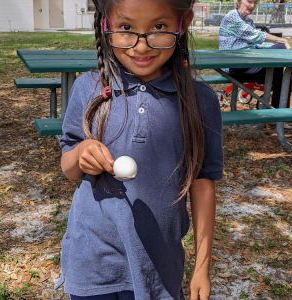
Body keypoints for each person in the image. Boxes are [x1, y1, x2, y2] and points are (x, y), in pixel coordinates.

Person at [56, 0, 223, 299]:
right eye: (126, 28)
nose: (141, 46)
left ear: (183, 23)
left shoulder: (201, 101)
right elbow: (68, 168)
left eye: (159, 28)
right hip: (92, 264)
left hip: (160, 268)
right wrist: (81, 153)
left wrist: (202, 267)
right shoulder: (87, 87)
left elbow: (203, 184)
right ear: (105, 24)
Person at [219, 0, 292, 108]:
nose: (252, 6)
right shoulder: (232, 17)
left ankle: (280, 113)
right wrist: (281, 41)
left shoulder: (247, 21)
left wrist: (272, 47)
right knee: (281, 48)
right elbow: (256, 35)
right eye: (249, 1)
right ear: (238, 1)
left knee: (278, 71)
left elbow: (256, 44)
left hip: (246, 64)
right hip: (234, 67)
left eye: (255, 3)